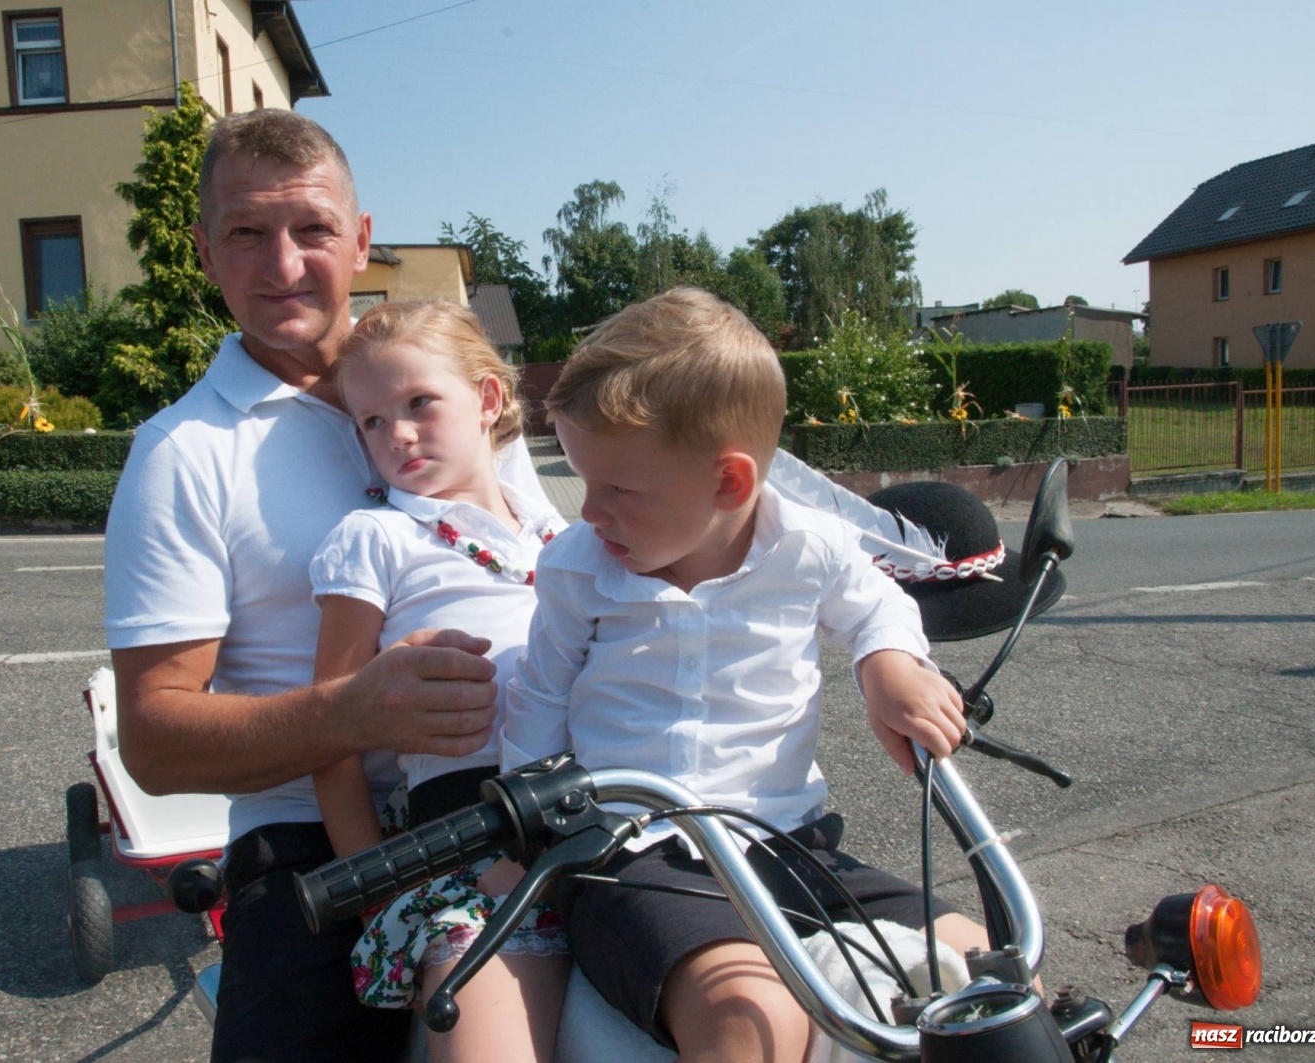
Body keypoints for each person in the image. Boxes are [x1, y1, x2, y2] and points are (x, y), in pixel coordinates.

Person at [102, 110, 546, 1063]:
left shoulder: (449, 392)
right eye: (246, 234)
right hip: (307, 839)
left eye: (311, 229)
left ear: (361, 238)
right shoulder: (183, 453)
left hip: (524, 793)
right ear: (206, 253)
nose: (284, 264)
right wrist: (354, 712)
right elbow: (152, 739)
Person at [500, 287, 990, 1063]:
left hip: (786, 838)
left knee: (982, 954)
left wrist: (889, 666)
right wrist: (520, 835)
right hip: (634, 855)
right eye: (584, 482)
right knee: (746, 1010)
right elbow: (540, 695)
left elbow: (878, 608)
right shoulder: (579, 568)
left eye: (617, 489)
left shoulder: (812, 545)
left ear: (728, 483)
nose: (587, 511)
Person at [308, 300, 570, 1063]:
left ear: (488, 400)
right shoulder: (374, 537)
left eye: (420, 402)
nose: (397, 435)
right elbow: (333, 733)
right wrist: (375, 893)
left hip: (611, 813)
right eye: (371, 421)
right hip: (471, 837)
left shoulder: (560, 535)